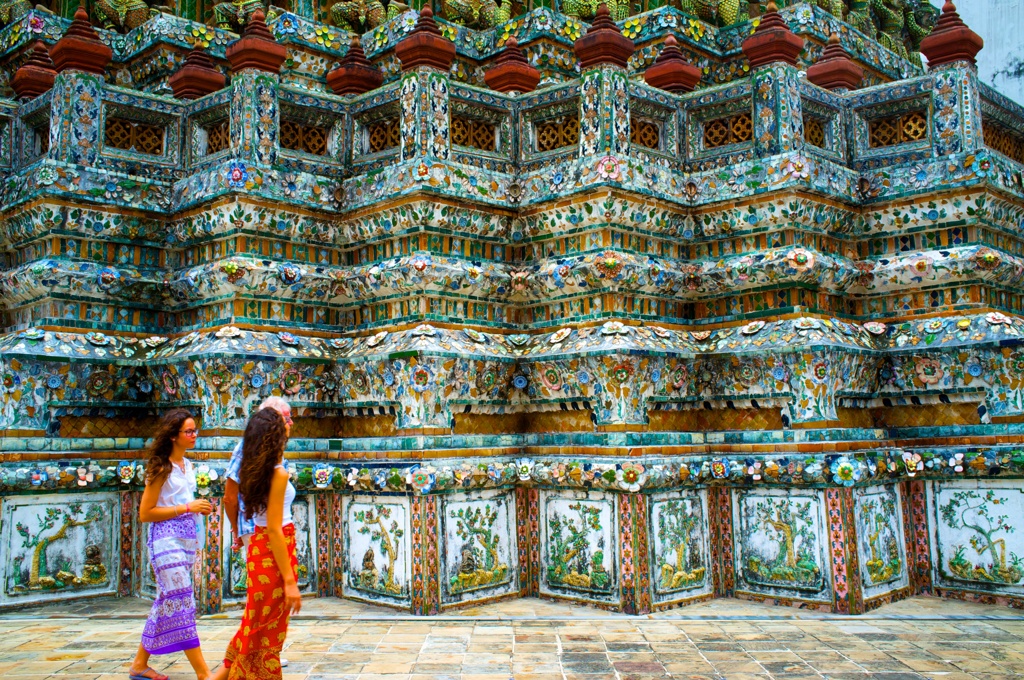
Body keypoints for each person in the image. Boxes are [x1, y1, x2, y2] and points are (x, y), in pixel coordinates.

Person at [213, 408, 300, 680]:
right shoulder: (277, 473)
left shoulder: (254, 468)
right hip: (275, 547)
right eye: (284, 422)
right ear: (275, 435)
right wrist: (289, 580)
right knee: (265, 629)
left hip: (260, 548)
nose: (290, 425)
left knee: (255, 623)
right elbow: (275, 529)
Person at [129, 409, 214, 680]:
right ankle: (203, 673)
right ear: (173, 436)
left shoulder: (187, 466)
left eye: (194, 431)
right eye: (188, 432)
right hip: (165, 539)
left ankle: (139, 664)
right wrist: (185, 507)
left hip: (187, 539)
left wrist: (197, 509)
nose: (193, 436)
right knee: (182, 600)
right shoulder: (161, 467)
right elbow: (146, 513)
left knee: (168, 600)